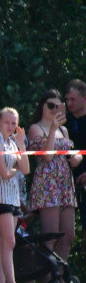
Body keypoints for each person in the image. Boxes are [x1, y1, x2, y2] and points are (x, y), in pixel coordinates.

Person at [27, 89, 82, 268]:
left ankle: (61, 274)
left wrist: (77, 157)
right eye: (50, 105)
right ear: (42, 106)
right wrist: (51, 129)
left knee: (68, 234)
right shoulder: (36, 128)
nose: (54, 109)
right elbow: (47, 157)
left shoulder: (64, 130)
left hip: (65, 182)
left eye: (57, 106)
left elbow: (70, 151)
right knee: (50, 235)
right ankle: (46, 278)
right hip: (47, 183)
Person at [0, 107, 30, 283]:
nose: (10, 126)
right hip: (0, 197)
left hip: (13, 198)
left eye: (14, 123)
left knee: (5, 244)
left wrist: (21, 145)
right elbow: (5, 173)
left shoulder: (13, 143)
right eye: (7, 122)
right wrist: (16, 169)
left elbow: (26, 169)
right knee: (10, 241)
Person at [63, 80, 86, 254]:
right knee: (64, 233)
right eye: (67, 99)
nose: (69, 103)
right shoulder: (65, 120)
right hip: (66, 182)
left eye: (73, 99)